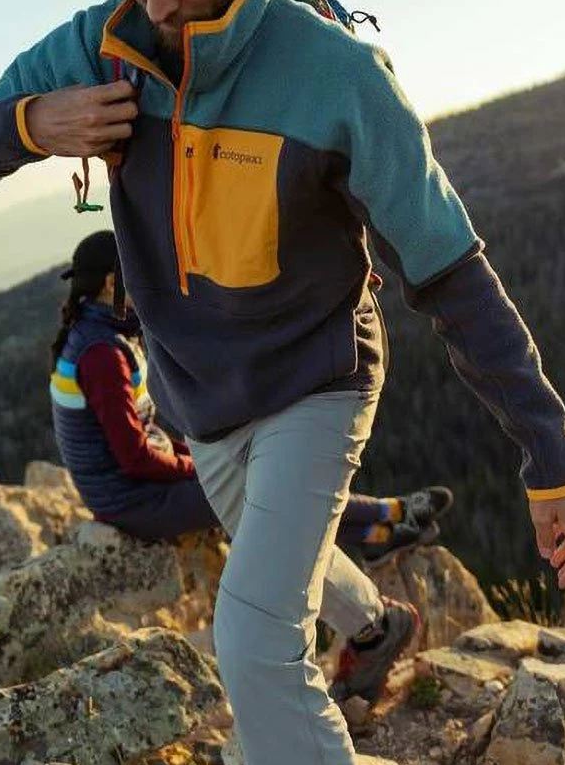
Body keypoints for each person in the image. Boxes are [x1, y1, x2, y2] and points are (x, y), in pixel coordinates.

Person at [0, 0, 565, 765]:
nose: (154, 3)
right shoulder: (100, 47)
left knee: (252, 640)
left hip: (316, 382)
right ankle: (376, 625)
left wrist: (552, 460)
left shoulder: (335, 77)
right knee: (281, 563)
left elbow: (452, 277)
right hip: (199, 401)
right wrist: (32, 123)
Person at [49, 229, 453, 567]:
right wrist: (194, 468)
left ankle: (382, 523)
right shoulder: (102, 355)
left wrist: (192, 460)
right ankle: (382, 520)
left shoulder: (99, 334)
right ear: (111, 284)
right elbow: (133, 457)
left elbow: (140, 435)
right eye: (139, 273)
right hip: (131, 502)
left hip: (132, 487)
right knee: (268, 495)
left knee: (270, 483)